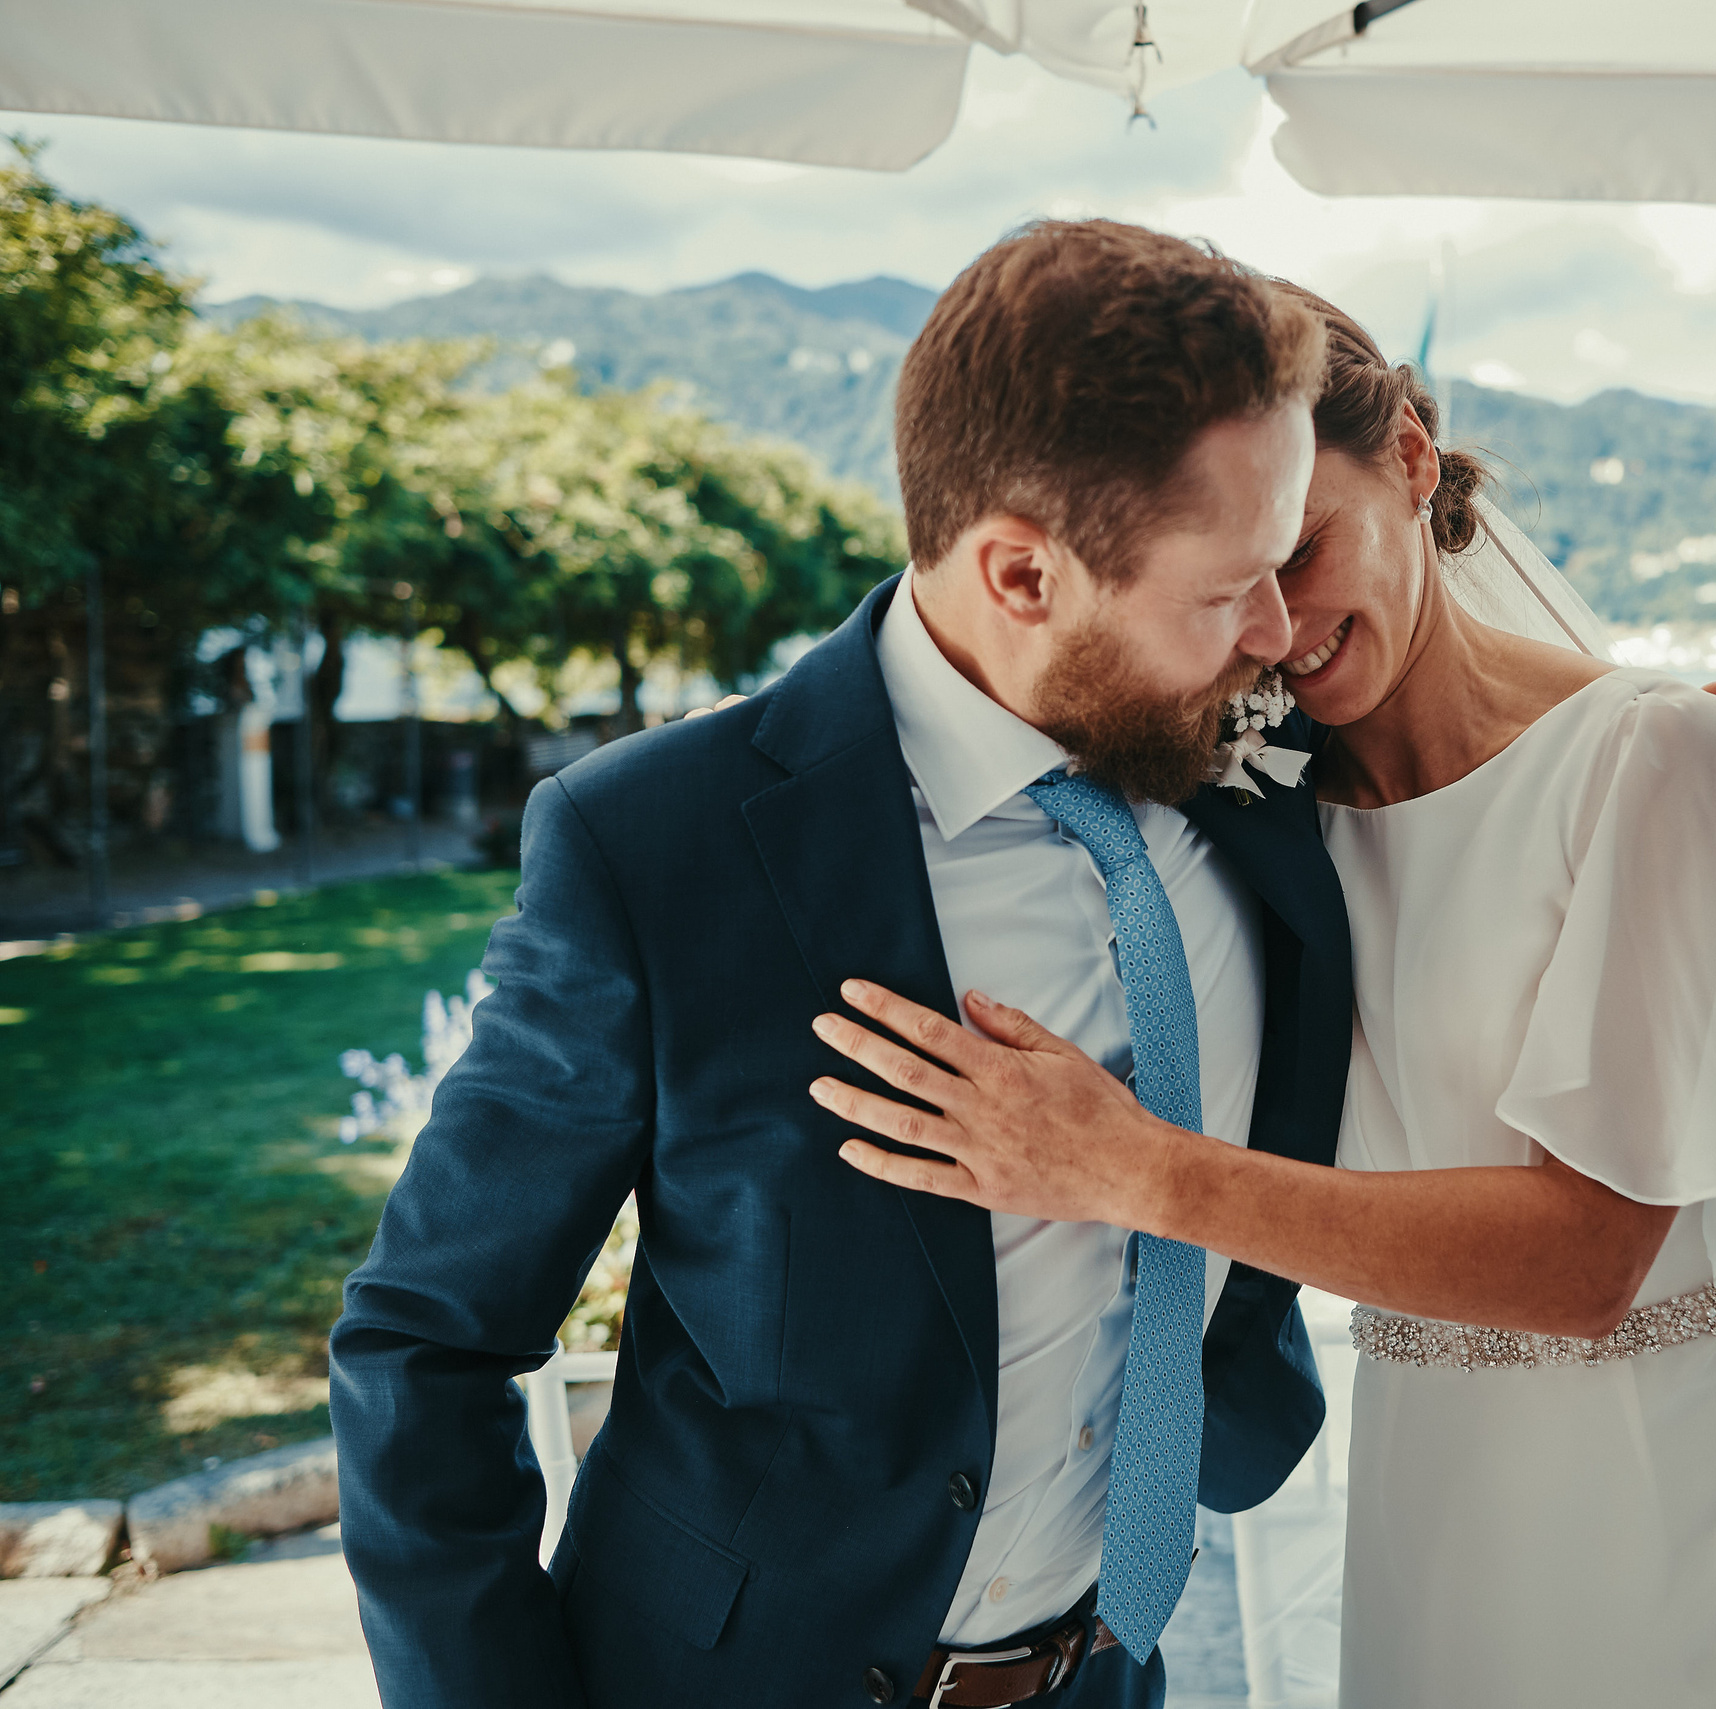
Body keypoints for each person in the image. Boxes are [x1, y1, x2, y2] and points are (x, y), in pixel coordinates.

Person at [811, 288, 1716, 1706]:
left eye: (1305, 549)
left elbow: (1589, 1257)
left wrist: (1130, 1168)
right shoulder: (1254, 820)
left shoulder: (1661, 762)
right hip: (1432, 1500)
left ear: (1414, 459)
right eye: (1230, 576)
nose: (1277, 623)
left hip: (1681, 1498)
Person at [327, 220, 1356, 1709]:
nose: (1278, 632)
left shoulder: (1255, 789)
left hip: (1110, 1672)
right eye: (1224, 590)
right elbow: (425, 1342)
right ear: (1019, 573)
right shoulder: (655, 846)